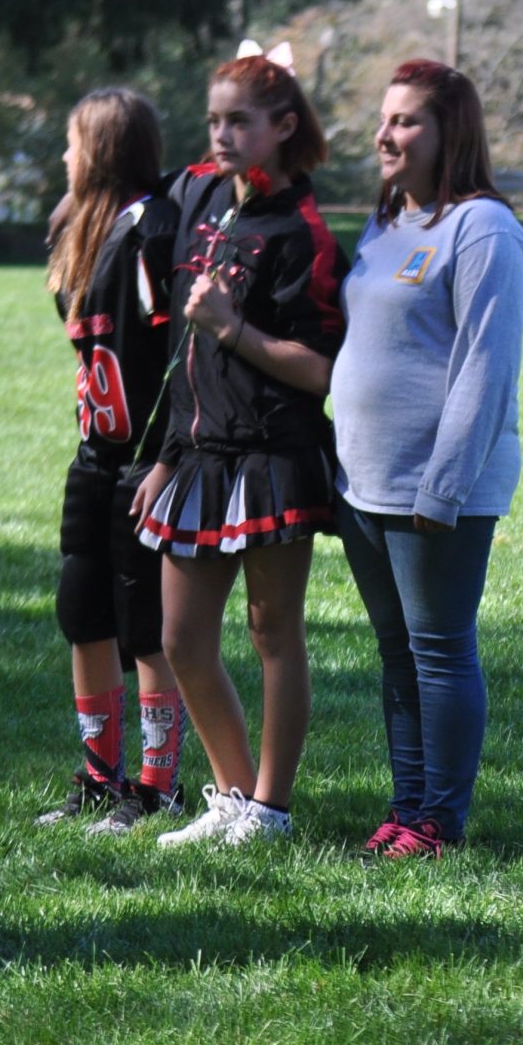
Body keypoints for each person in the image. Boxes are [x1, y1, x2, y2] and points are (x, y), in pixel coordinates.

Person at [131, 47, 343, 848]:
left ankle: (272, 811)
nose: (221, 135)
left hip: (273, 456)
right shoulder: (209, 205)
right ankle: (230, 799)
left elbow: (323, 371)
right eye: (214, 120)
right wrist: (163, 455)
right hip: (197, 457)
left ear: (283, 128)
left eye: (239, 122)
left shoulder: (305, 234)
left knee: (271, 631)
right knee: (180, 637)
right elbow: (185, 361)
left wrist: (235, 327)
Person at [331, 61, 523, 860]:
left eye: (408, 120)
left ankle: (440, 821)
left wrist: (443, 487)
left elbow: (486, 369)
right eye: (384, 119)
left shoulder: (483, 229)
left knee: (441, 649)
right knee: (396, 652)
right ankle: (406, 805)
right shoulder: (385, 226)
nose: (387, 134)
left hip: (434, 489)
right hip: (364, 482)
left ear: (451, 132)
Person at [37, 89, 189, 834]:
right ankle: (101, 778)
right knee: (83, 612)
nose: (63, 157)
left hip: (144, 459)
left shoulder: (155, 228)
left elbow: (175, 354)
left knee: (146, 627)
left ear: (98, 148)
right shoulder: (79, 230)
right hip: (93, 453)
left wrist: (164, 455)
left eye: (72, 143)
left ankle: (158, 785)